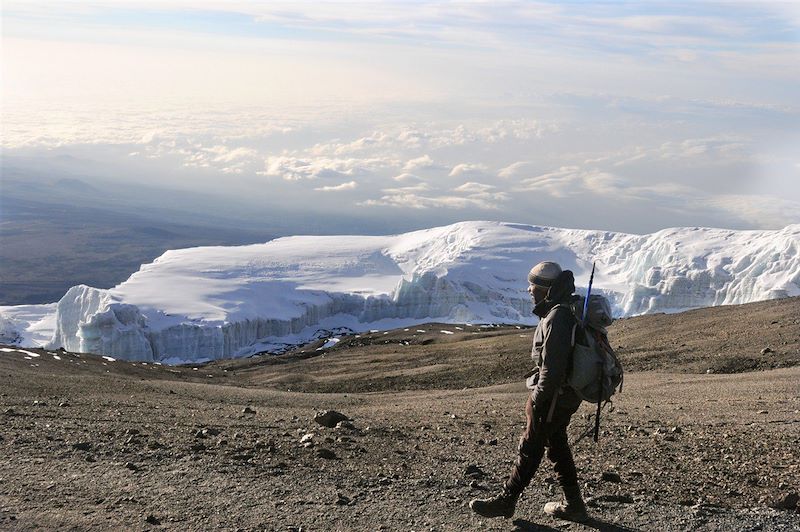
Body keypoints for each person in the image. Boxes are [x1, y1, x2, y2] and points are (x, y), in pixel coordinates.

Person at [469, 261, 588, 522]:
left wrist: (538, 398)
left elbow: (552, 368)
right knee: (556, 444)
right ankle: (574, 505)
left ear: (545, 289)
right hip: (564, 394)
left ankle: (506, 500)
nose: (528, 290)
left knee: (530, 445)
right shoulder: (562, 311)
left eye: (532, 285)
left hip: (554, 396)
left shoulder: (558, 317)